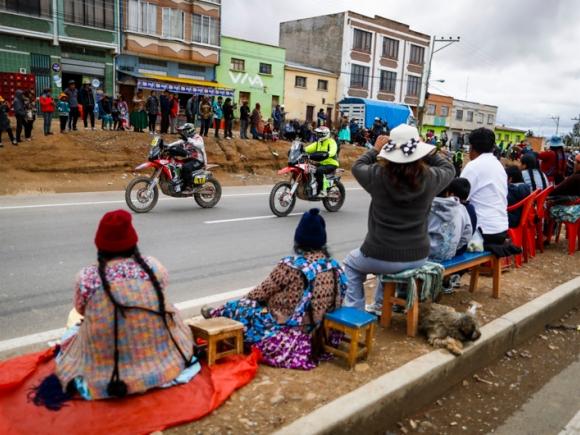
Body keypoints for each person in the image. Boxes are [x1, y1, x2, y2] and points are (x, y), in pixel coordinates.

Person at [46, 210, 199, 402]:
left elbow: (80, 310)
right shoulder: (153, 267)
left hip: (108, 377)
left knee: (73, 328)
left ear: (99, 244)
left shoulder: (86, 277)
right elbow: (160, 293)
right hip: (164, 365)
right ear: (133, 241)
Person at [201, 208, 346, 370]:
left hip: (290, 333)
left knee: (239, 307)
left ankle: (216, 314)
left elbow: (260, 292)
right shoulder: (334, 267)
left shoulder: (292, 266)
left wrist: (243, 302)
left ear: (299, 240)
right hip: (321, 333)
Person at [343, 124, 454, 312]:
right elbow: (449, 168)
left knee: (351, 264)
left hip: (379, 254)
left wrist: (375, 149)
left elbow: (357, 166)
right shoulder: (430, 178)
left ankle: (355, 311)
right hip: (417, 255)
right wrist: (427, 150)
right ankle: (379, 304)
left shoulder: (377, 176)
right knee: (386, 265)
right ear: (418, 151)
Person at [460, 128, 509, 246]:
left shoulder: (473, 166)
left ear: (472, 147)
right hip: (501, 228)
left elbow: (459, 197)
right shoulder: (498, 165)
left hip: (483, 231)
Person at [427, 185, 473, 263]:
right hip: (449, 255)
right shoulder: (461, 208)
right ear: (448, 193)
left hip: (427, 257)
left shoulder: (426, 208)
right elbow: (467, 234)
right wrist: (453, 247)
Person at [303, 126, 339, 197]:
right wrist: (301, 149)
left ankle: (323, 190)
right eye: (317, 134)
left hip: (331, 163)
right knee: (309, 169)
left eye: (319, 134)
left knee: (319, 171)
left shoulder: (331, 142)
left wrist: (327, 154)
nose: (317, 135)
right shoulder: (318, 143)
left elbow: (333, 151)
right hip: (321, 163)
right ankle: (311, 187)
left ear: (325, 134)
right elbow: (307, 149)